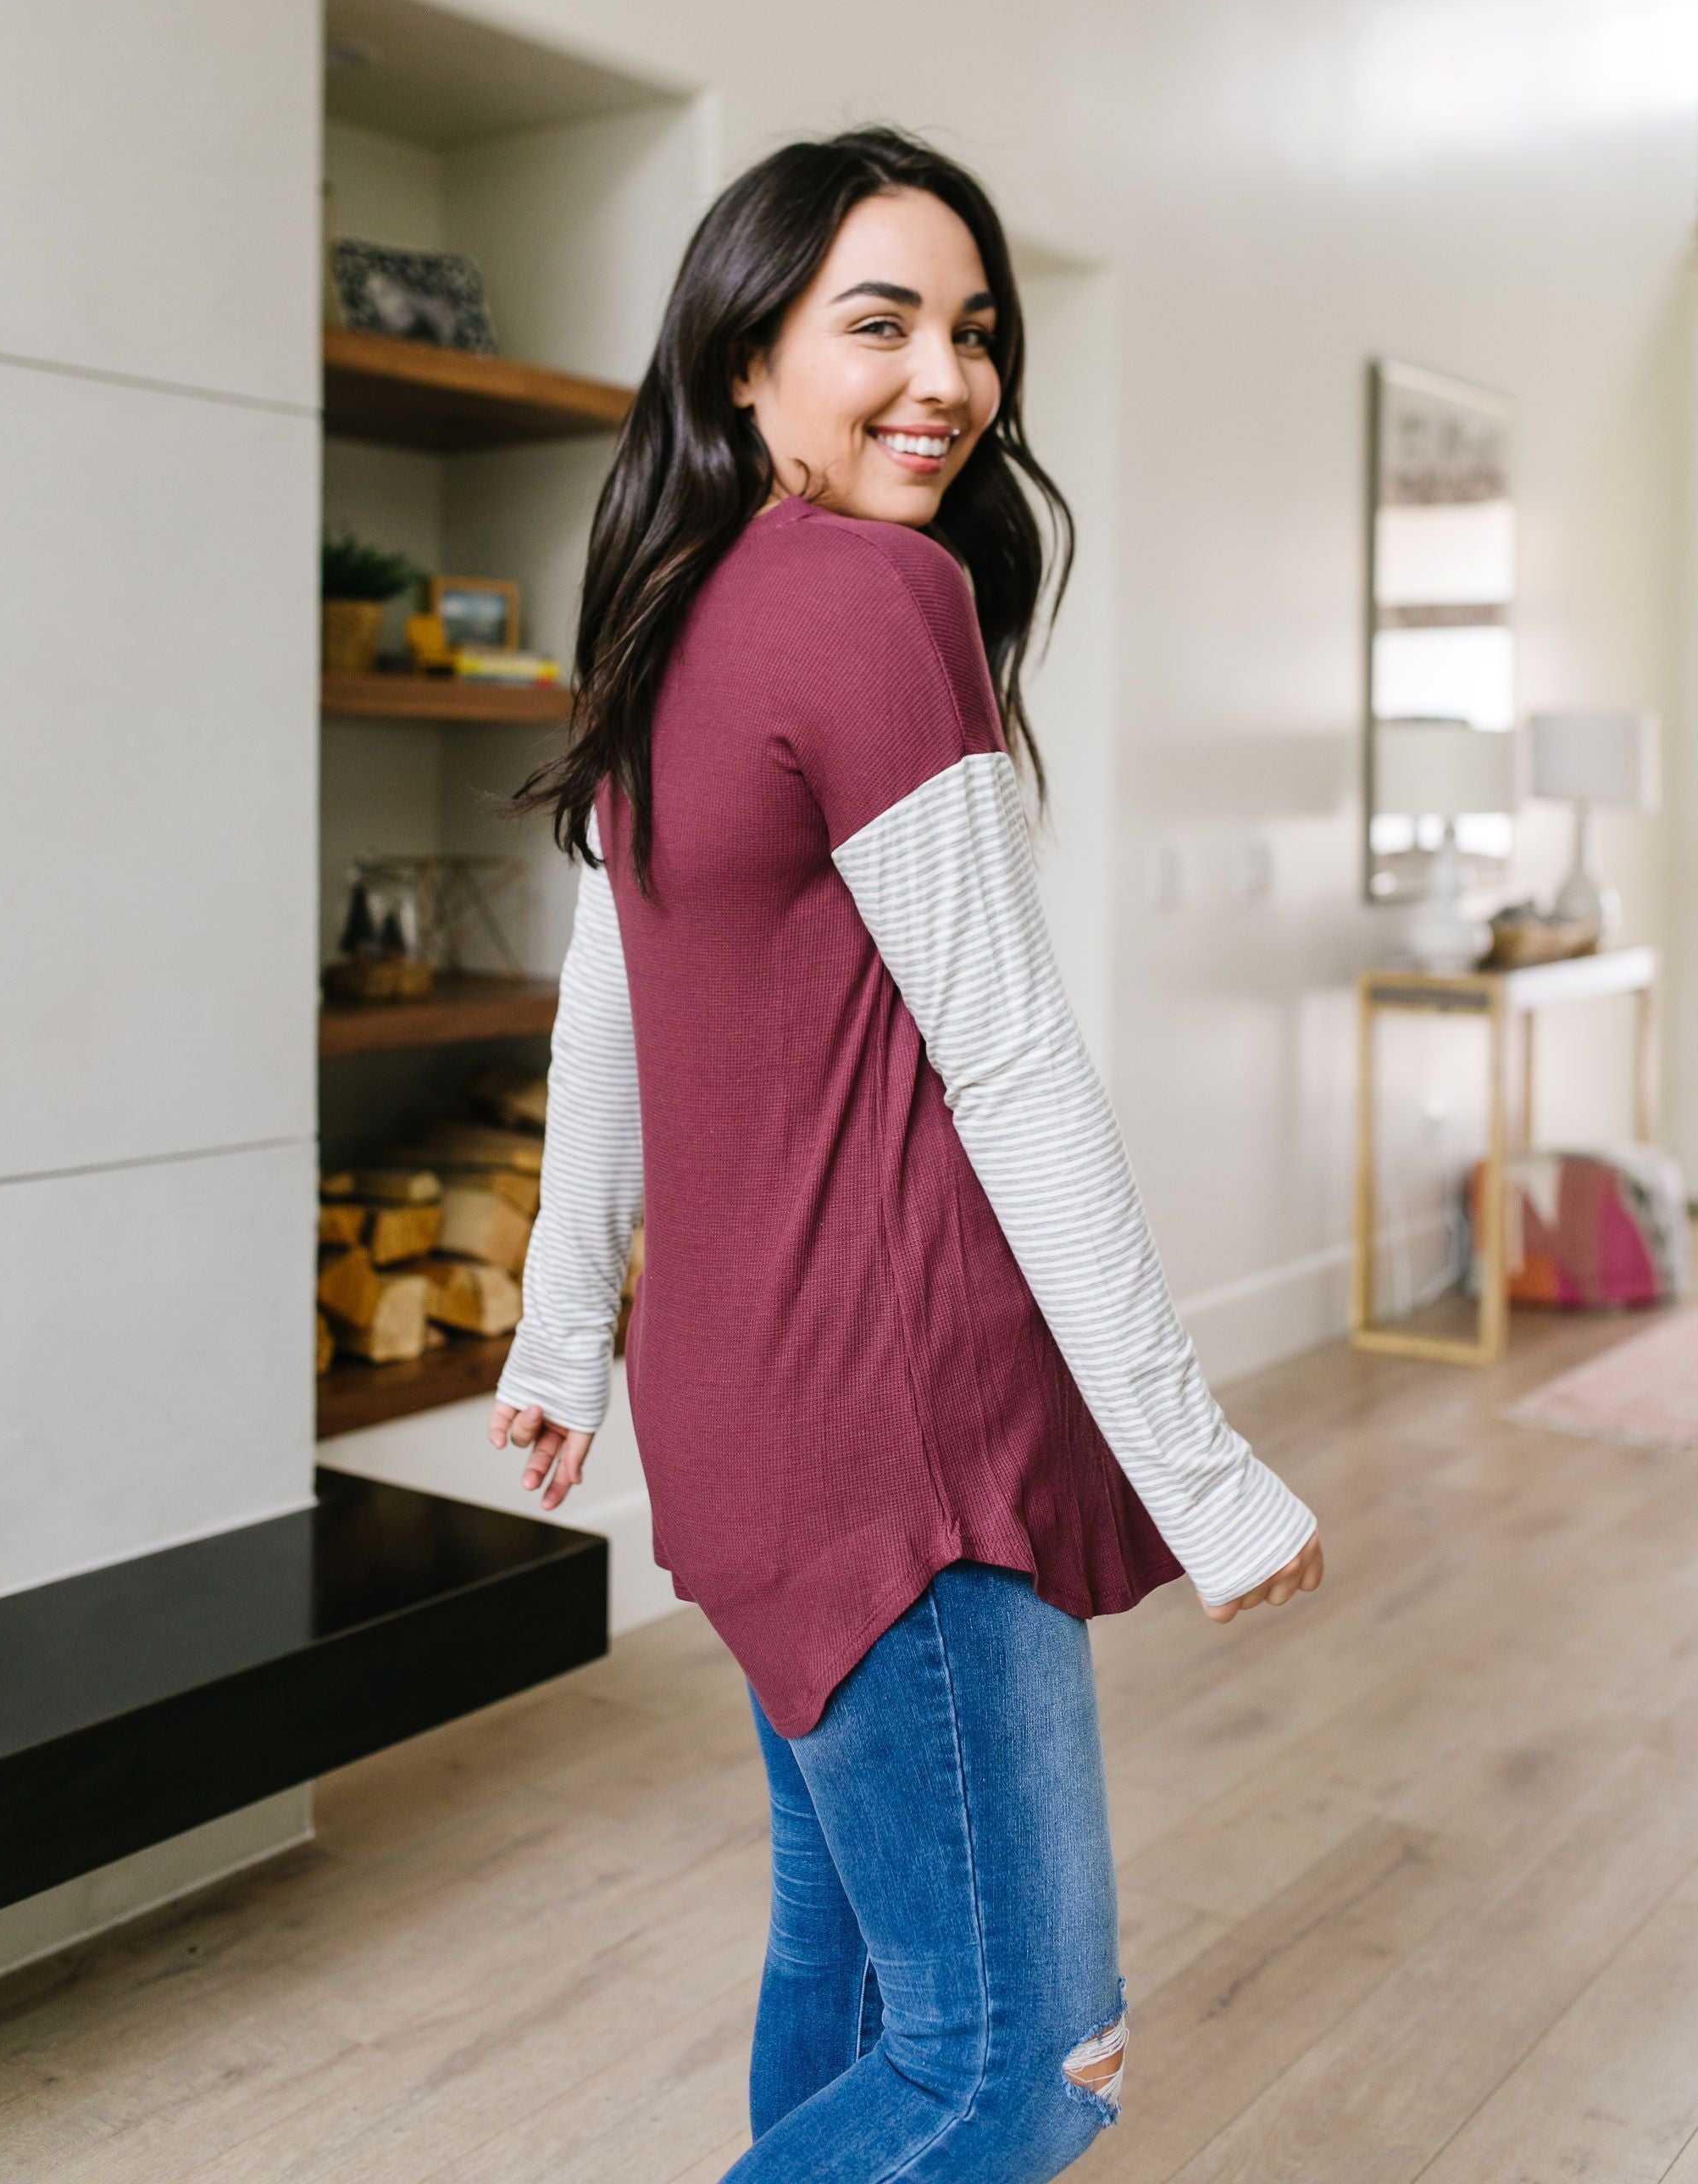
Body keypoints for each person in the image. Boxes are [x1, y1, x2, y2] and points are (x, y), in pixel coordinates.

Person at [487, 124, 1323, 2180]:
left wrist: (555, 1337)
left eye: (974, 331)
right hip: (900, 1438)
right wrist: (1196, 1466)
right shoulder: (874, 594)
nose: (944, 378)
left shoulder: (664, 621)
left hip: (744, 1412)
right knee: (1016, 2064)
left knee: (854, 1965)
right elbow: (1015, 1065)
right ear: (744, 358)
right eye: (879, 323)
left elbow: (609, 1018)